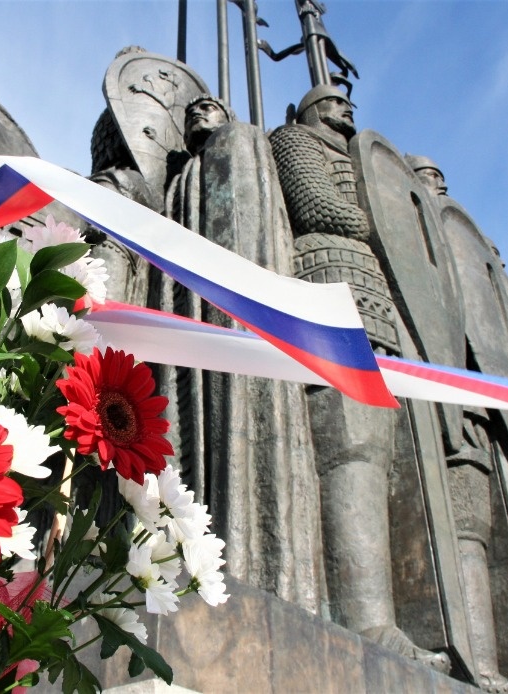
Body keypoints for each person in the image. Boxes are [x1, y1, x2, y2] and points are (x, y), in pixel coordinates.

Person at [269, 86, 451, 672]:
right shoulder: (294, 140)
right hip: (331, 286)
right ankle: (367, 621)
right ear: (304, 111)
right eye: (330, 100)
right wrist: (386, 225)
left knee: (380, 452)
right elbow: (317, 206)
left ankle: (383, 618)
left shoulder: (366, 166)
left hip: (376, 304)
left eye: (347, 101)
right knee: (351, 447)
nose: (344, 108)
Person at [154, 94, 327, 614]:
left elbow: (248, 228)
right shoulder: (181, 179)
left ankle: (248, 561)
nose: (197, 115)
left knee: (238, 420)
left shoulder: (243, 143)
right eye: (190, 112)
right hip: (187, 319)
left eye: (208, 107)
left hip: (236, 316)